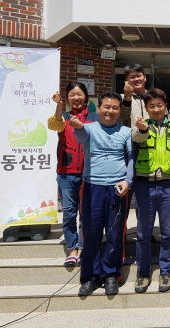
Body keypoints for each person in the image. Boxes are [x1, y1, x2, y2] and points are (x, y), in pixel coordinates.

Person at [72, 92, 133, 296]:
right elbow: (81, 136)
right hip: (92, 187)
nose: (110, 111)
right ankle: (90, 276)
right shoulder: (88, 128)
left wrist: (128, 181)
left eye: (115, 108)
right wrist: (77, 127)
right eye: (106, 107)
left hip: (117, 189)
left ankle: (111, 275)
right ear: (98, 108)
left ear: (120, 111)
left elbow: (131, 158)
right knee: (91, 233)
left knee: (115, 233)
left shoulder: (126, 132)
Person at [131, 89, 170, 293]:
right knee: (143, 233)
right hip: (145, 185)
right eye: (151, 106)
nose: (156, 109)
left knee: (168, 232)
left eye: (159, 105)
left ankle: (165, 272)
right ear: (146, 108)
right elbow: (137, 138)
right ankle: (143, 273)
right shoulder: (140, 125)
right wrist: (142, 129)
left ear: (166, 105)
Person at [48, 81, 98, 267]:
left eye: (79, 94)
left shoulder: (95, 117)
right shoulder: (63, 117)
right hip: (66, 173)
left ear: (86, 97)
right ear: (67, 98)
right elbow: (53, 124)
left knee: (86, 212)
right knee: (69, 213)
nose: (76, 98)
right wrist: (58, 106)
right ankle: (72, 249)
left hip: (89, 173)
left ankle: (83, 247)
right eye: (72, 95)